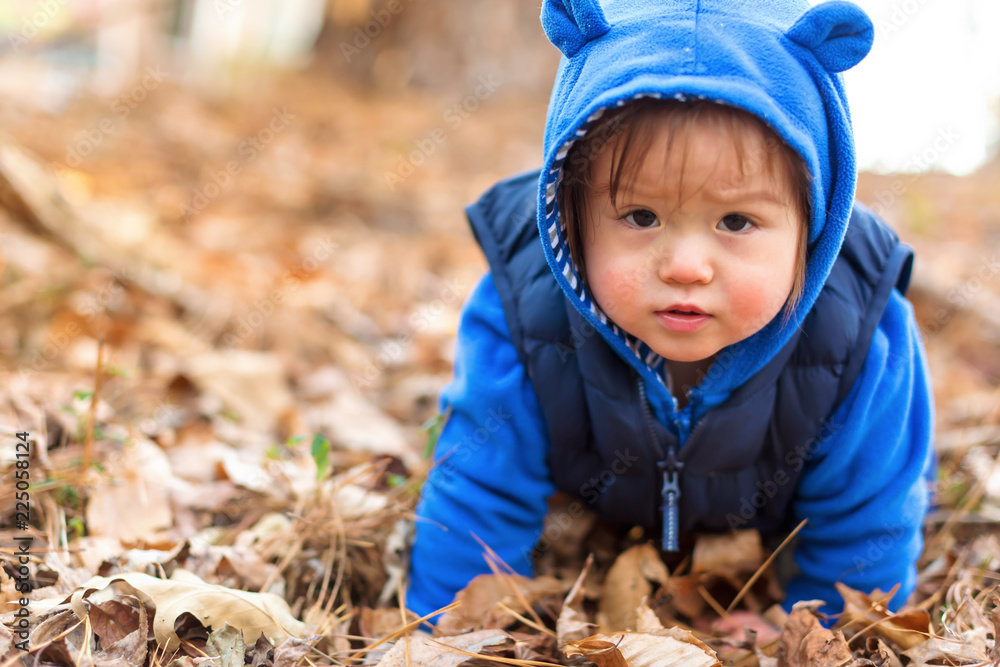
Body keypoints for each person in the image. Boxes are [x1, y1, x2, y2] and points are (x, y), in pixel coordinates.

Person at [406, 0, 935, 625]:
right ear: (568, 217)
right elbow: (478, 488)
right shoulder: (523, 311)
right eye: (640, 217)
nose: (685, 265)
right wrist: (450, 631)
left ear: (811, 228)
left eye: (736, 221)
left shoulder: (859, 334)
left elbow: (869, 518)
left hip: (775, 512)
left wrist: (812, 630)